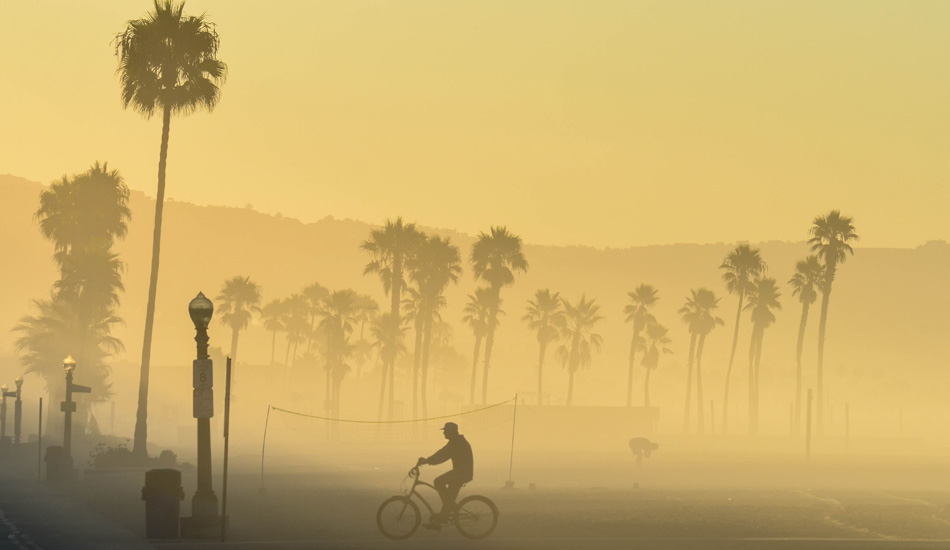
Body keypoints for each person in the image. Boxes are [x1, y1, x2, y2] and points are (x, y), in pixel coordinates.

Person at [416, 421, 473, 530]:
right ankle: (445, 513)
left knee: (439, 483)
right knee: (446, 493)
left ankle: (447, 511)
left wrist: (428, 461)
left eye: (445, 431)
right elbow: (443, 452)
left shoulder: (457, 442)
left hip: (461, 473)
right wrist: (428, 460)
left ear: (451, 432)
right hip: (460, 472)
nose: (444, 433)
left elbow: (444, 455)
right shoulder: (456, 441)